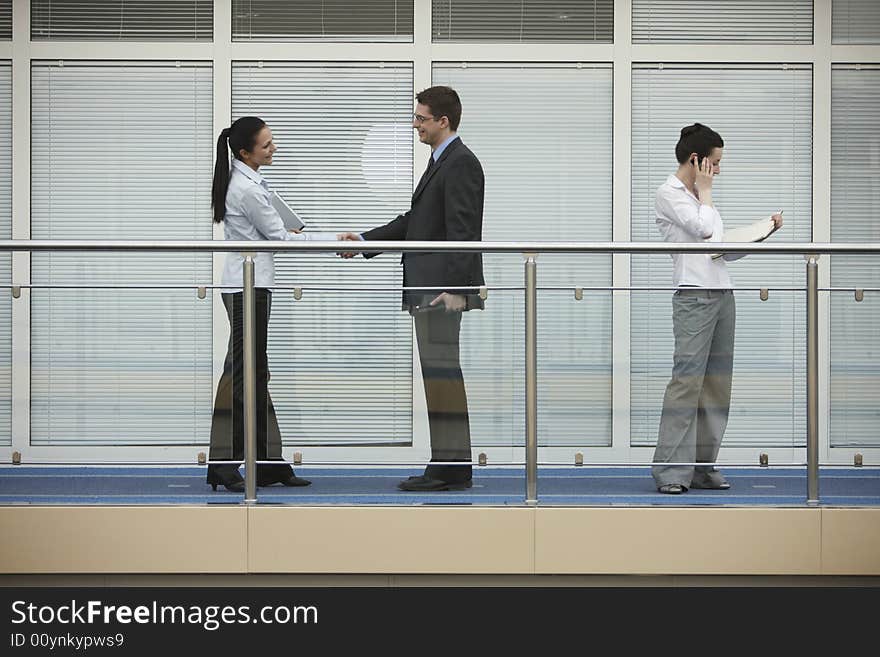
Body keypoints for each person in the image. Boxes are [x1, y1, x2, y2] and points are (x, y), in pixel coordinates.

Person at [339, 86, 485, 492]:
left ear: (444, 121)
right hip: (430, 285)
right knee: (437, 374)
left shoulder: (460, 163)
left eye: (421, 118)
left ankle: (451, 468)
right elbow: (416, 220)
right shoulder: (442, 161)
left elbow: (464, 231)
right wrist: (366, 242)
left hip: (440, 289)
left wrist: (457, 289)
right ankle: (448, 464)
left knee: (443, 374)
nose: (415, 124)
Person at [207, 116, 341, 492]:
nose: (274, 147)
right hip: (247, 288)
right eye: (266, 145)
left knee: (254, 373)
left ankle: (266, 462)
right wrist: (335, 238)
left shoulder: (246, 179)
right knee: (242, 375)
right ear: (246, 152)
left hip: (249, 285)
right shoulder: (246, 189)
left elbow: (273, 232)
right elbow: (279, 238)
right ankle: (223, 462)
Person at [652, 123, 782, 494]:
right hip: (694, 296)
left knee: (716, 387)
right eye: (715, 163)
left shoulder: (702, 197)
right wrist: (705, 194)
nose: (718, 170)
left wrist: (762, 233)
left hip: (723, 294)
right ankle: (670, 473)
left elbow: (720, 249)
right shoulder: (670, 194)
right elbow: (702, 230)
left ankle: (701, 467)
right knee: (687, 385)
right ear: (697, 160)